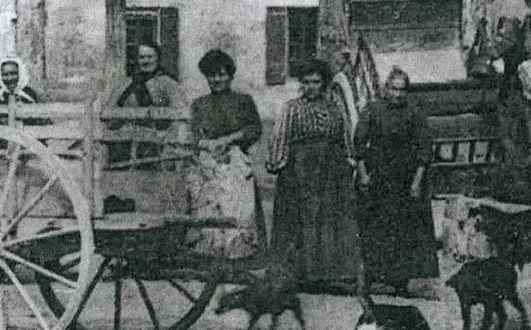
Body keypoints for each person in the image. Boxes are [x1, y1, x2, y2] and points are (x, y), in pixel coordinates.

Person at [267, 59, 362, 289]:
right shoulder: (291, 107)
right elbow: (280, 137)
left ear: (324, 84)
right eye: (307, 82)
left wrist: (349, 161)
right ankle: (298, 275)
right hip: (299, 171)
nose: (311, 87)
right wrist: (278, 162)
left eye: (316, 82)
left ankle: (327, 275)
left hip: (330, 171)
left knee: (327, 220)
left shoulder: (335, 108)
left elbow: (345, 137)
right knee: (300, 220)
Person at [354, 67, 439, 295]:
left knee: (404, 228)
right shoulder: (372, 110)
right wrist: (363, 174)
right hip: (379, 176)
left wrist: (416, 182)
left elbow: (424, 149)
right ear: (386, 88)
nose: (398, 94)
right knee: (376, 226)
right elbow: (359, 145)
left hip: (404, 176)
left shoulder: (414, 113)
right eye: (394, 89)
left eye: (403, 90)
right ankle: (375, 276)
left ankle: (400, 280)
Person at [187, 49, 262, 257]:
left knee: (234, 206)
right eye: (211, 75)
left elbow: (254, 129)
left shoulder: (243, 101)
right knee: (207, 205)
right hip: (207, 162)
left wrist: (228, 140)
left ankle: (237, 252)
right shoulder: (199, 104)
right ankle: (209, 253)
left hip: (234, 162)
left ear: (230, 76)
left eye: (221, 74)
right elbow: (192, 134)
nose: (216, 79)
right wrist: (206, 144)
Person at [104, 41, 184, 109]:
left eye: (150, 57)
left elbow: (179, 113)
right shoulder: (126, 83)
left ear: (157, 58)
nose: (146, 61)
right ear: (137, 60)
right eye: (142, 57)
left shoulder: (168, 84)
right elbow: (109, 110)